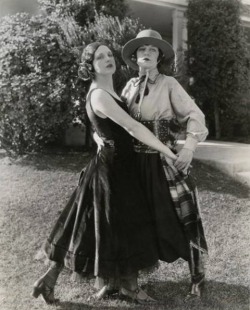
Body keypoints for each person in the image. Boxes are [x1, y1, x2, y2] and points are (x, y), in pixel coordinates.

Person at [31, 42, 178, 305]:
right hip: (113, 168)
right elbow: (131, 126)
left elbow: (100, 125)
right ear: (91, 66)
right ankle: (129, 288)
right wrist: (165, 150)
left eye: (109, 54)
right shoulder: (99, 93)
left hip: (115, 163)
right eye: (100, 57)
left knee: (93, 227)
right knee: (126, 223)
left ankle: (52, 281)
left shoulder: (109, 90)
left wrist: (99, 137)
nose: (108, 59)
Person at [120, 29, 209, 299]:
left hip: (162, 162)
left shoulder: (170, 84)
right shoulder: (128, 87)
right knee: (133, 220)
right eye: (142, 49)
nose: (146, 54)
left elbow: (195, 116)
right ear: (134, 57)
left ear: (160, 57)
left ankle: (198, 275)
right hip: (132, 165)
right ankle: (126, 278)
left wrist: (189, 148)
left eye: (153, 50)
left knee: (180, 215)